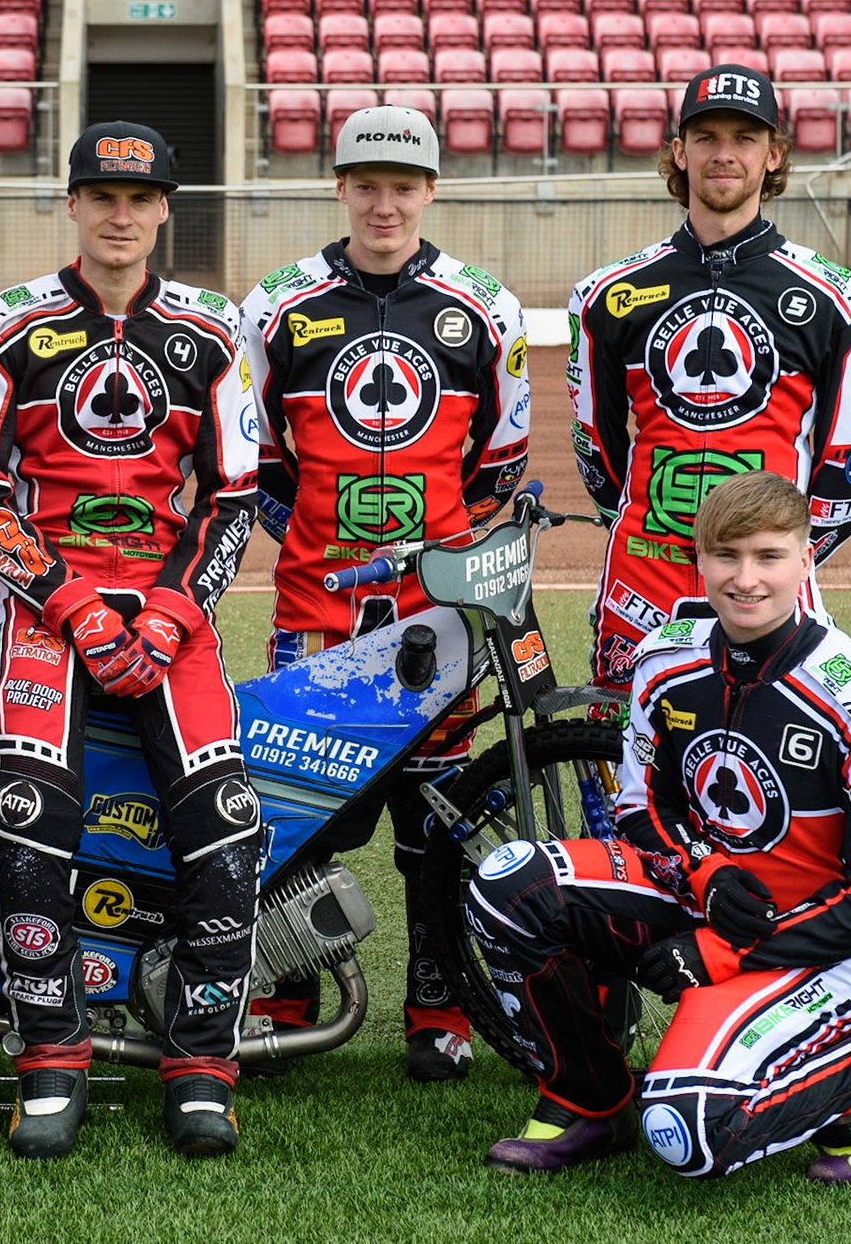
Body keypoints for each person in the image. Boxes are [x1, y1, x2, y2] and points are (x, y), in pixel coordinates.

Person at [0, 122, 262, 1160]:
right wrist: (72, 601)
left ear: (165, 210)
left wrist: (169, 612)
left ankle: (202, 1066)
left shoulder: (214, 331)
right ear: (71, 204)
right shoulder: (5, 327)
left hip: (172, 612)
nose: (121, 216)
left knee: (227, 825)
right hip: (49, 612)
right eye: (102, 197)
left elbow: (236, 495)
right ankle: (51, 1056)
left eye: (141, 199)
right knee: (26, 817)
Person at [466, 470, 851, 1182]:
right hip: (694, 895)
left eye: (769, 557)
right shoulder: (665, 657)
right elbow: (638, 807)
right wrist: (704, 871)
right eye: (727, 556)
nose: (746, 579)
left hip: (808, 943)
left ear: (806, 559)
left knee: (685, 1133)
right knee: (508, 885)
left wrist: (728, 951)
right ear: (700, 558)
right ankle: (588, 1101)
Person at [237, 104, 530, 1081]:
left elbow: (500, 464)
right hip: (315, 611)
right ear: (340, 187)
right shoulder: (277, 305)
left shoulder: (485, 307)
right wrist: (330, 547)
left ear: (430, 190)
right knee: (296, 811)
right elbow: (257, 460)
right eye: (366, 184)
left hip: (436, 617)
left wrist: (427, 554)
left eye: (403, 186)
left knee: (435, 818)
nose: (384, 204)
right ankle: (284, 994)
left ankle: (437, 1002)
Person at [568, 65, 851, 693]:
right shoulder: (604, 294)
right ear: (679, 152)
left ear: (774, 155)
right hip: (641, 580)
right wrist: (649, 524)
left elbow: (850, 461)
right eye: (706, 137)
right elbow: (596, 447)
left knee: (767, 746)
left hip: (766, 586)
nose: (724, 154)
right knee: (628, 747)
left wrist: (776, 560)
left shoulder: (841, 300)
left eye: (744, 138)